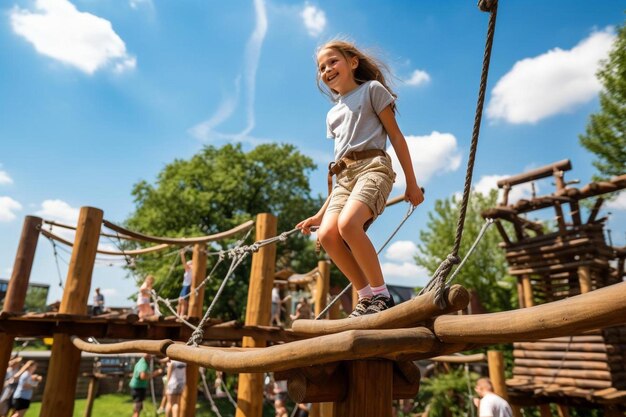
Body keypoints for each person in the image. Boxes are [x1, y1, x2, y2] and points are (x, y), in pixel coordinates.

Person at [297, 39, 424, 317]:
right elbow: (340, 166)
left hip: (373, 167)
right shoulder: (332, 114)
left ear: (352, 62)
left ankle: (382, 294)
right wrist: (320, 214)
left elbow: (397, 138)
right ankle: (366, 297)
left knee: (348, 225)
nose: (327, 69)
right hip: (344, 178)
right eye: (321, 67)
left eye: (333, 61)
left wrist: (411, 183)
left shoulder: (372, 91)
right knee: (329, 235)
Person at [178, 250, 192, 318]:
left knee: (184, 301)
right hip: (185, 285)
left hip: (187, 285)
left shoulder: (190, 269)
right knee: (180, 300)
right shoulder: (188, 270)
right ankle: (178, 314)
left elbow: (183, 262)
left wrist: (182, 254)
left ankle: (182, 314)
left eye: (189, 263)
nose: (187, 264)